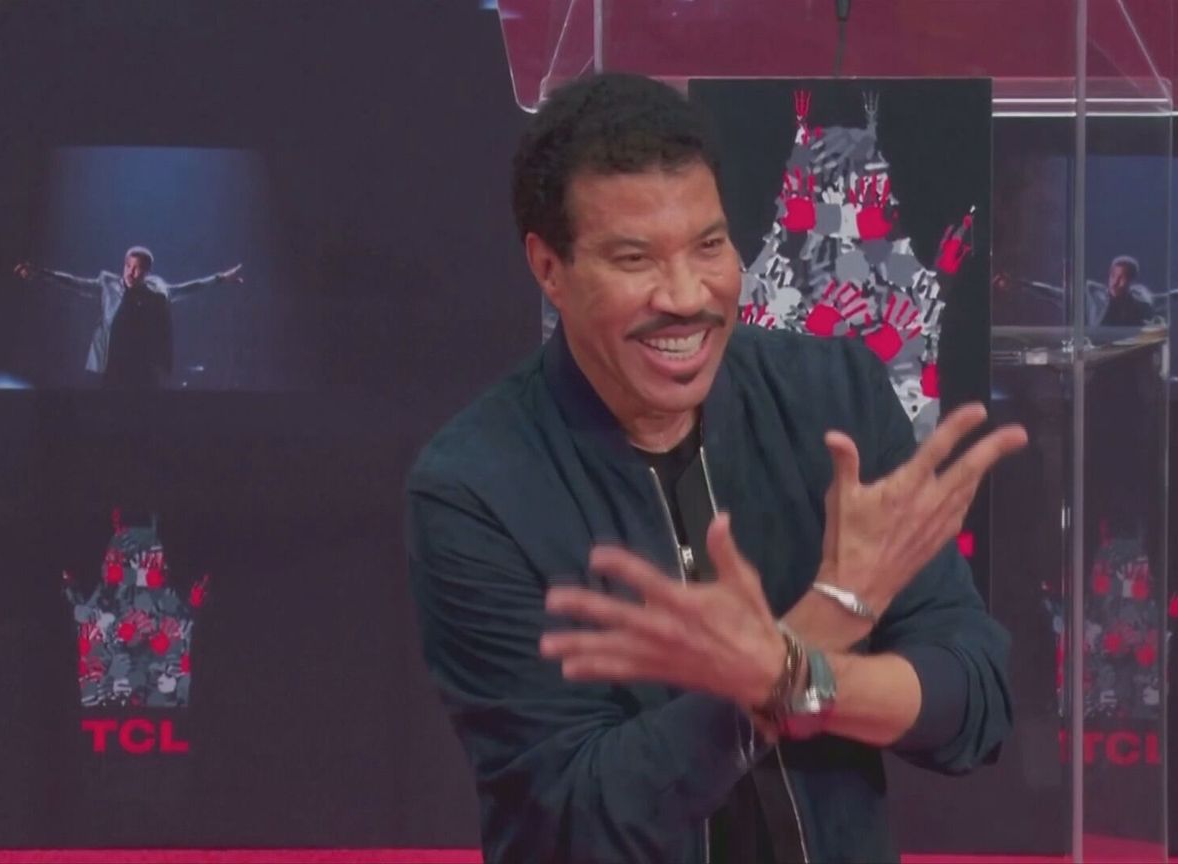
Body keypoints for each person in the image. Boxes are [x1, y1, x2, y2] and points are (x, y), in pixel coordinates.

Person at [405, 72, 1030, 864]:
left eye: (708, 246)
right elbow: (573, 819)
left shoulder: (833, 397)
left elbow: (974, 700)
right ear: (549, 267)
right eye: (634, 258)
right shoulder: (475, 488)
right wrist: (827, 619)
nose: (685, 295)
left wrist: (798, 680)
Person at [12, 248, 243, 388]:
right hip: (112, 365)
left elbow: (189, 288)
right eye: (128, 266)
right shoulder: (108, 284)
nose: (131, 272)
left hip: (143, 367)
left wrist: (221, 278)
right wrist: (40, 273)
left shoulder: (158, 292)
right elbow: (73, 282)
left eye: (138, 268)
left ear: (147, 272)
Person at [1022, 255, 1178, 327]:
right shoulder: (1093, 297)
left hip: (1127, 371)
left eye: (1122, 278)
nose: (1115, 282)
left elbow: (1172, 296)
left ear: (1131, 281)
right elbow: (1054, 293)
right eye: (1113, 276)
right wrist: (1020, 284)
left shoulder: (1141, 303)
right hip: (1096, 371)